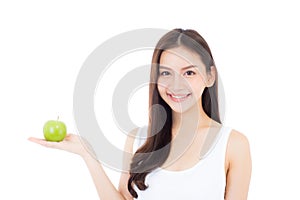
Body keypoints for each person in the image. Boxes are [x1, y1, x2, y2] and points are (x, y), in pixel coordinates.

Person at [29, 28, 252, 199]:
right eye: (165, 73)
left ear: (210, 76)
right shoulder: (137, 139)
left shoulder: (232, 144)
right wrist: (88, 154)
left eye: (189, 72)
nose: (176, 85)